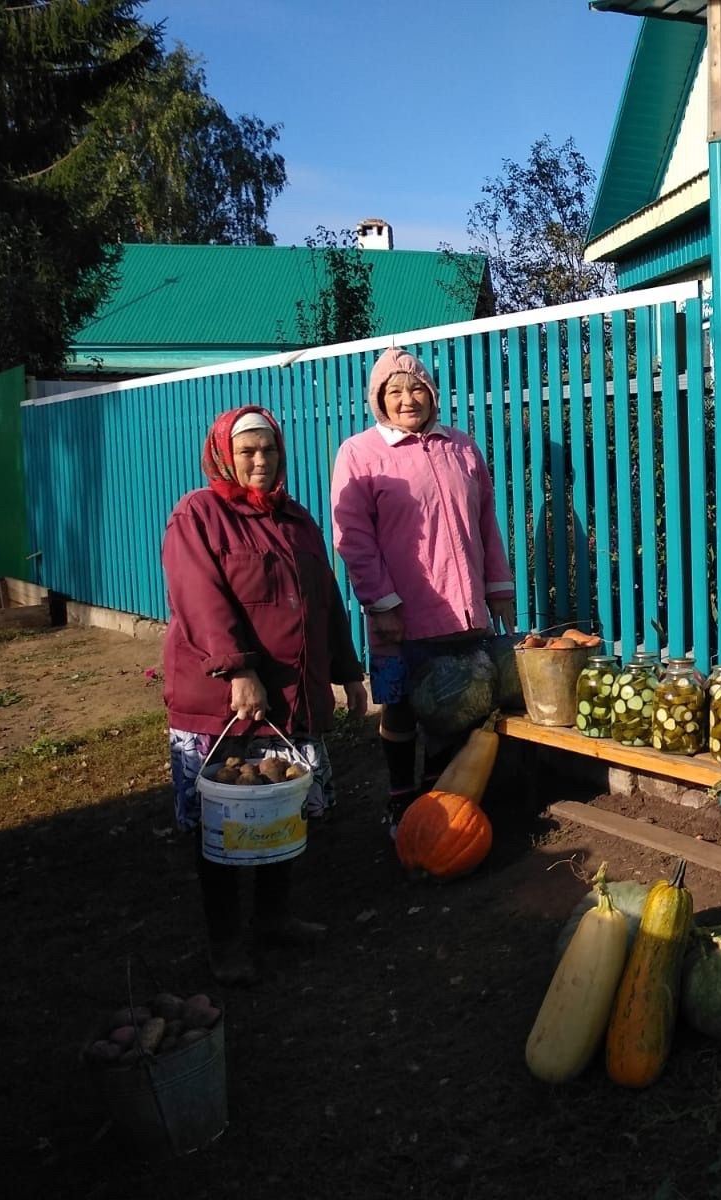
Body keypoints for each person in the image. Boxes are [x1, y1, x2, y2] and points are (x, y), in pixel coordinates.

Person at [162, 406, 368, 986]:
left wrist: (347, 671)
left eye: (269, 450)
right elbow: (199, 599)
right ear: (224, 455)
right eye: (248, 450)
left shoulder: (296, 519)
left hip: (290, 698)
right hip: (224, 701)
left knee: (280, 809)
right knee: (223, 820)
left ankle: (275, 918)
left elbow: (324, 600)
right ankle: (225, 944)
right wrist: (235, 671)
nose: (259, 460)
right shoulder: (199, 515)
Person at [330, 347, 515, 836]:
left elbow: (486, 524)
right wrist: (381, 601)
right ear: (379, 400)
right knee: (401, 704)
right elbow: (353, 536)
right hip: (402, 610)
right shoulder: (360, 453)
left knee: (454, 702)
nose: (407, 399)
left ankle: (439, 799)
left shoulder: (461, 447)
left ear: (432, 394)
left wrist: (499, 587)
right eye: (394, 391)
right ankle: (399, 798)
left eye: (416, 389)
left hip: (462, 606)